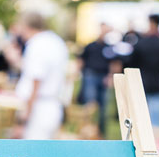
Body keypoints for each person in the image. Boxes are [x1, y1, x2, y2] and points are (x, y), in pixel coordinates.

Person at [13, 12, 69, 140]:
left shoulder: (37, 44)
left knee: (32, 149)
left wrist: (24, 119)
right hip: (52, 105)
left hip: (39, 108)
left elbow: (36, 81)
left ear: (26, 26)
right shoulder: (55, 41)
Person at [126, 14, 159, 126]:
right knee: (156, 122)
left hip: (141, 83)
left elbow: (131, 63)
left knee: (139, 120)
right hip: (157, 84)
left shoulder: (140, 44)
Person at [79, 23, 116, 135]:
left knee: (103, 107)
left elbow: (113, 63)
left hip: (104, 77)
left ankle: (100, 132)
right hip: (91, 75)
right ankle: (87, 130)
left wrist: (110, 76)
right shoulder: (90, 46)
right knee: (90, 105)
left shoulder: (109, 48)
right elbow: (81, 60)